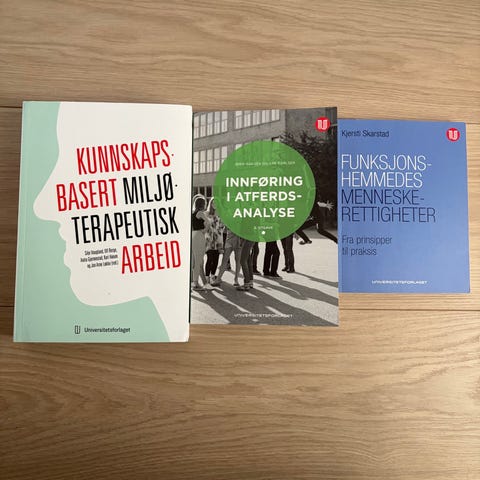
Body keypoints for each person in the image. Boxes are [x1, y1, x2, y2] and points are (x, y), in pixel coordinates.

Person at [191, 194, 211, 291]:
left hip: (193, 235)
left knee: (195, 260)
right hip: (199, 235)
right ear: (202, 204)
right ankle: (195, 283)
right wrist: (205, 230)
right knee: (199, 260)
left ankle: (194, 282)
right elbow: (209, 222)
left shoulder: (193, 213)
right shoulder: (200, 213)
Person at [204, 197, 223, 282]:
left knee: (216, 259)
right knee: (210, 258)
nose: (215, 204)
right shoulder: (206, 213)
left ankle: (213, 275)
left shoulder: (220, 214)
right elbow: (204, 225)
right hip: (209, 239)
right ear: (210, 204)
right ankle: (207, 277)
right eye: (213, 203)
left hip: (218, 239)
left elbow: (222, 226)